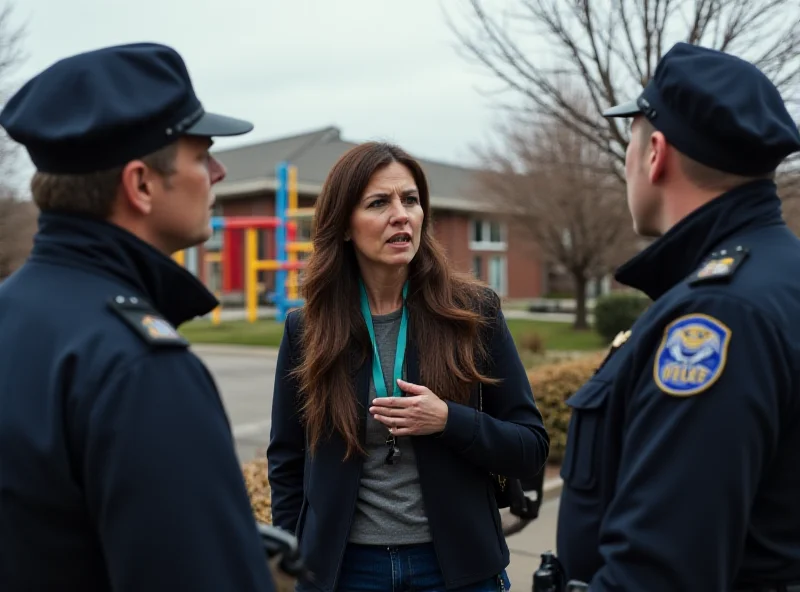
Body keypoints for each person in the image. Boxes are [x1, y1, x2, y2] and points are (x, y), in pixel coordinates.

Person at [0, 43, 277, 592]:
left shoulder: (15, 313)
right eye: (201, 156)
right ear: (141, 185)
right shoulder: (136, 368)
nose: (219, 171)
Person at [555, 42, 800, 591]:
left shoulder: (717, 315)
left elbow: (660, 574)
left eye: (631, 140)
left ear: (655, 152)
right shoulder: (780, 276)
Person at [267, 142, 550, 592]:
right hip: (346, 573)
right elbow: (287, 460)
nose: (401, 215)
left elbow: (530, 446)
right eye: (379, 203)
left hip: (457, 570)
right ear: (343, 226)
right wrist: (292, 556)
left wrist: (448, 420)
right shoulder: (307, 330)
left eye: (411, 200)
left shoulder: (474, 313)